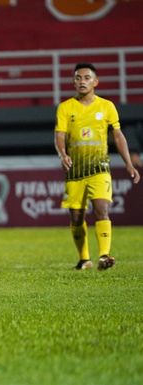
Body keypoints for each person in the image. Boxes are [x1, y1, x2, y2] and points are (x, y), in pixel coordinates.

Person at [54, 63, 140, 271]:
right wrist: (63, 154)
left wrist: (128, 164)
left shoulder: (107, 106)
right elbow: (59, 135)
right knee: (76, 216)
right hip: (75, 170)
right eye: (77, 78)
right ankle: (84, 259)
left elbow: (118, 136)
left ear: (95, 82)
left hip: (99, 168)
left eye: (86, 78)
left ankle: (104, 256)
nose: (81, 81)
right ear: (73, 82)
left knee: (102, 208)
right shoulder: (65, 107)